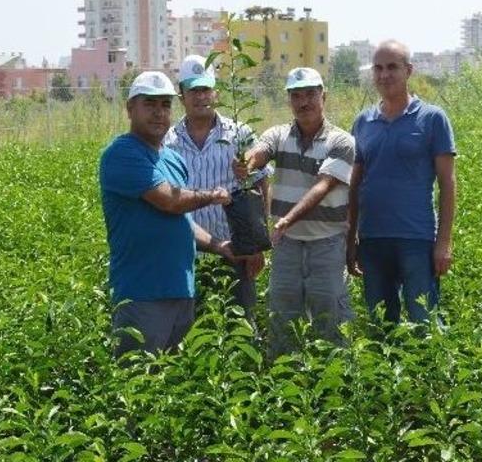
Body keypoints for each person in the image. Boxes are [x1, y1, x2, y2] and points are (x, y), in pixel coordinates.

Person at [99, 70, 237, 358]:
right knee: (138, 385)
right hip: (141, 293)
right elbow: (169, 202)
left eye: (165, 104)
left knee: (173, 386)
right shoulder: (121, 153)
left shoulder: (173, 159)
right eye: (149, 104)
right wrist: (212, 196)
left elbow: (182, 220)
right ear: (130, 109)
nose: (159, 113)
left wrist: (219, 246)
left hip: (180, 290)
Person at [234, 67, 354, 358]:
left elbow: (322, 186)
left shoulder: (342, 142)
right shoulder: (279, 135)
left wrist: (287, 218)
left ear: (323, 96)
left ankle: (336, 387)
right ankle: (284, 387)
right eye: (296, 96)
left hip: (326, 243)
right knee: (283, 316)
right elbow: (261, 150)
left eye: (311, 94)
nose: (304, 102)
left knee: (330, 317)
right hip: (287, 244)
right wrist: (247, 163)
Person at [347, 40, 457, 325]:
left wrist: (443, 243)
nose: (384, 75)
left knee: (425, 322)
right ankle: (386, 370)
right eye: (378, 68)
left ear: (409, 71)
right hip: (372, 240)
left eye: (392, 67)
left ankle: (432, 371)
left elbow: (447, 183)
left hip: (416, 239)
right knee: (381, 323)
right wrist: (351, 240)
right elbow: (354, 185)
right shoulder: (363, 122)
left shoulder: (432, 118)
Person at [164, 55, 269, 323]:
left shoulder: (239, 134)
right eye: (194, 90)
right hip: (186, 254)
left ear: (216, 93)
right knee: (191, 329)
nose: (201, 97)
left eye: (206, 89)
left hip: (235, 251)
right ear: (181, 96)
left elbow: (260, 184)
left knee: (242, 327)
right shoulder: (169, 141)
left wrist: (256, 245)